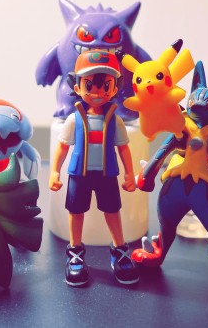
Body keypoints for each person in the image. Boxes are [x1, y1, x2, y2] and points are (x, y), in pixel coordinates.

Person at [49, 49, 139, 287]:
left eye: (105, 86)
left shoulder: (115, 120)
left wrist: (129, 173)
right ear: (77, 87)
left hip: (107, 175)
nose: (98, 93)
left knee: (112, 211)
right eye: (90, 86)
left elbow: (124, 149)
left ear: (115, 88)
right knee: (76, 212)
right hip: (79, 175)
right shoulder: (74, 119)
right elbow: (62, 147)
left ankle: (119, 249)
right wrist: (55, 171)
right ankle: (75, 251)